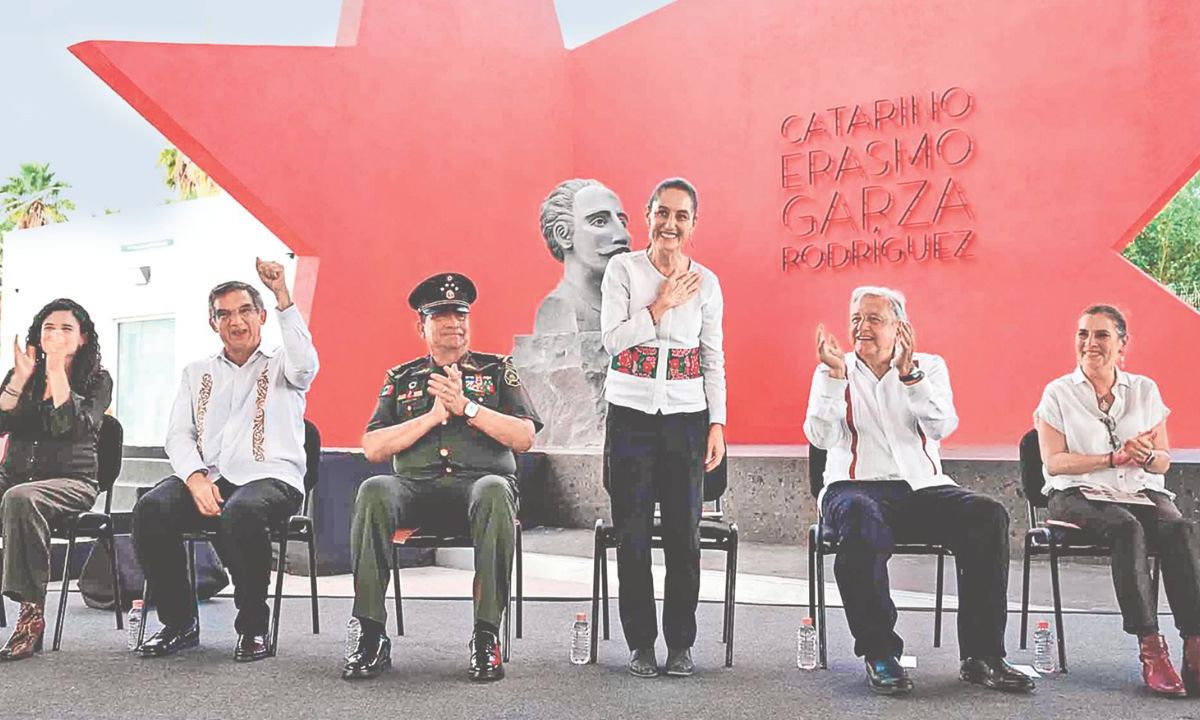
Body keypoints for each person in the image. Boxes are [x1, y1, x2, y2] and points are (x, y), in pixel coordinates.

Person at [803, 286, 1033, 695]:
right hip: (852, 488)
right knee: (859, 518)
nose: (862, 327)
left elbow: (941, 427)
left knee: (987, 515)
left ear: (900, 328)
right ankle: (879, 653)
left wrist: (911, 377)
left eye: (874, 318)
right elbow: (820, 437)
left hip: (922, 489)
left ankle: (983, 656)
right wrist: (834, 381)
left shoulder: (928, 367)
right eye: (857, 318)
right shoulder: (834, 369)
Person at [343, 272, 542, 682]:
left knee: (493, 489)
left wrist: (467, 407)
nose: (454, 323)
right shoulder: (402, 378)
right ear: (422, 326)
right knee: (374, 489)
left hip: (479, 490)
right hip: (417, 490)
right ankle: (370, 633)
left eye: (460, 314)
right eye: (442, 316)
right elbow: (373, 447)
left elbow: (523, 437)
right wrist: (432, 418)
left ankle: (486, 635)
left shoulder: (498, 370)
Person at [132, 258, 318, 662]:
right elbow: (179, 435)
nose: (236, 321)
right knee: (151, 509)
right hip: (211, 477)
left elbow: (306, 363)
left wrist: (284, 295)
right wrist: (196, 478)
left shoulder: (284, 365)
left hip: (271, 478)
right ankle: (179, 623)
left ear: (262, 315)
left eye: (246, 310)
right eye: (225, 314)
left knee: (243, 511)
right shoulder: (196, 372)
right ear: (212, 322)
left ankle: (253, 627)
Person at [1035, 303, 1199, 696]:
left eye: (1101, 335)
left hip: (1138, 489)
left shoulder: (1145, 390)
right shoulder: (1057, 393)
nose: (1090, 343)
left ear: (1122, 345)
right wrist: (1112, 458)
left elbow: (1162, 461)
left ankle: (1195, 644)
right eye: (1083, 334)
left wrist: (1144, 456)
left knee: (1177, 527)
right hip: (1075, 494)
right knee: (1125, 527)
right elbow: (1054, 462)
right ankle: (1150, 647)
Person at [599, 177, 726, 678]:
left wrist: (717, 422)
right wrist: (661, 305)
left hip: (686, 419)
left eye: (681, 216)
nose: (670, 224)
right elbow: (613, 341)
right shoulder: (623, 270)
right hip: (629, 417)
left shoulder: (709, 283)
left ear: (693, 225)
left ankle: (681, 644)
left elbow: (712, 357)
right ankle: (640, 644)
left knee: (683, 536)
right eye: (662, 213)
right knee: (631, 535)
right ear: (647, 215)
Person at [0, 299, 112, 661]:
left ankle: (30, 616)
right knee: (18, 494)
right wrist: (19, 378)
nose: (57, 335)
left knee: (20, 499)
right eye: (49, 327)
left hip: (72, 483)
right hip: (16, 478)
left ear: (82, 339)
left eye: (67, 329)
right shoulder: (23, 374)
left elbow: (72, 426)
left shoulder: (97, 381)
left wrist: (57, 372)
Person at [535, 179, 631, 334]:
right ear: (563, 234)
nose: (623, 236)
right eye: (600, 222)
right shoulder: (559, 309)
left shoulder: (628, 306)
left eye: (622, 223)